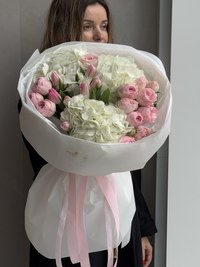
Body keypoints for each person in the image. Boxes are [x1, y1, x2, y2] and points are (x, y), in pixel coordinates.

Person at [19, 0, 157, 266]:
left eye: (104, 26)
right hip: (65, 221)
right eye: (87, 26)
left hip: (119, 218)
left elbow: (128, 167)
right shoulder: (39, 93)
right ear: (66, 27)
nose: (100, 35)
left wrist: (142, 228)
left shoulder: (122, 86)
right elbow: (42, 162)